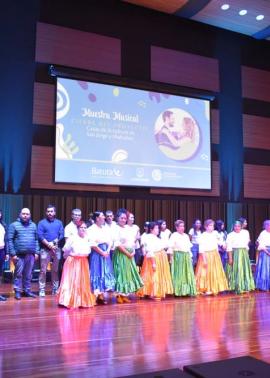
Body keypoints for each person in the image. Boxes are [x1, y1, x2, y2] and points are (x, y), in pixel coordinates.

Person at [58, 221, 96, 309]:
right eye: (81, 227)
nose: (83, 229)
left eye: (85, 227)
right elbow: (65, 249)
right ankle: (68, 300)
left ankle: (82, 300)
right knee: (72, 281)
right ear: (77, 229)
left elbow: (92, 246)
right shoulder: (72, 238)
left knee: (82, 281)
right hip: (73, 261)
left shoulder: (88, 238)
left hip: (83, 261)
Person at [8, 208, 39, 300]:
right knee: (18, 274)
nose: (25, 215)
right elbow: (9, 240)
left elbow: (36, 239)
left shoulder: (33, 225)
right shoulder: (13, 225)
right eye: (23, 214)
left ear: (30, 215)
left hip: (31, 255)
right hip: (19, 255)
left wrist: (37, 252)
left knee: (29, 274)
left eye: (27, 214)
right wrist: (13, 254)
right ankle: (17, 291)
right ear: (20, 214)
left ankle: (27, 290)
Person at [113, 209, 143, 303]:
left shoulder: (127, 228)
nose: (123, 220)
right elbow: (117, 244)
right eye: (121, 218)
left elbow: (132, 241)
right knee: (121, 274)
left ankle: (125, 294)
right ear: (117, 218)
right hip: (121, 254)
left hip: (129, 254)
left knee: (127, 275)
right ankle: (119, 295)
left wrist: (133, 250)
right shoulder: (115, 228)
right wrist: (127, 253)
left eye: (125, 218)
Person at [138, 221, 173, 300]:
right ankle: (152, 293)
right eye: (156, 228)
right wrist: (153, 263)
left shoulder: (156, 238)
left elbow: (164, 245)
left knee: (158, 274)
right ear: (151, 229)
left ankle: (156, 291)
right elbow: (150, 251)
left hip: (160, 258)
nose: (158, 230)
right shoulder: (149, 238)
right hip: (154, 258)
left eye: (158, 228)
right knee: (153, 274)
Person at [88, 211, 115, 304]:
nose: (104, 218)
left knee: (105, 272)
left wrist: (107, 250)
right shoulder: (91, 229)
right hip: (97, 253)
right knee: (97, 272)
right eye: (102, 216)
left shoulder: (105, 228)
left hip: (105, 252)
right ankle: (95, 296)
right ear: (97, 218)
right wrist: (102, 252)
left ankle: (101, 295)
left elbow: (110, 240)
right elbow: (92, 244)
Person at [195, 219, 228, 295]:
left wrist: (223, 244)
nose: (212, 227)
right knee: (206, 271)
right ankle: (207, 288)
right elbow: (201, 248)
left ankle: (215, 286)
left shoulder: (215, 233)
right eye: (210, 225)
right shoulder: (203, 235)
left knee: (215, 271)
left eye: (212, 225)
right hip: (206, 255)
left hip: (214, 254)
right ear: (206, 227)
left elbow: (219, 241)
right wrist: (204, 259)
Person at [38, 205, 64, 297]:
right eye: (48, 211)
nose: (50, 213)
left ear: (55, 212)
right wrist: (48, 244)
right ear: (46, 212)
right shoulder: (41, 223)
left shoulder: (59, 223)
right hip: (45, 249)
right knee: (43, 270)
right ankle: (41, 289)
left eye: (51, 211)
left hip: (56, 249)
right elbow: (40, 236)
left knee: (55, 270)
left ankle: (55, 288)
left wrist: (53, 243)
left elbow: (61, 235)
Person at [168, 220, 196, 297]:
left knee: (187, 274)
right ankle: (178, 291)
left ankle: (186, 291)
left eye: (183, 226)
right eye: (180, 226)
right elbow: (171, 247)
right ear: (176, 227)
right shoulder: (174, 235)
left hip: (186, 256)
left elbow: (188, 248)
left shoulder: (186, 236)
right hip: (178, 256)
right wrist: (171, 258)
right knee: (179, 274)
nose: (182, 228)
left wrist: (190, 257)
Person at [226, 220, 255, 294]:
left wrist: (246, 254)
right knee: (237, 270)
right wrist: (230, 258)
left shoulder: (245, 233)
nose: (237, 228)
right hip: (235, 253)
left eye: (239, 226)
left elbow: (247, 244)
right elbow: (229, 247)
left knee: (245, 270)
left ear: (241, 226)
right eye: (235, 226)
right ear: (233, 226)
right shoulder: (230, 235)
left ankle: (245, 286)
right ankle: (237, 286)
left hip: (244, 253)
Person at [255, 220, 270, 291]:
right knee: (265, 268)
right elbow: (260, 244)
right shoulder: (263, 233)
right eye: (267, 225)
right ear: (265, 226)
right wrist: (267, 252)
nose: (269, 226)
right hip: (265, 251)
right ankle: (264, 286)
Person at [0, 210, 8, 301]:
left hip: (1, 251)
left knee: (0, 274)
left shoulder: (3, 225)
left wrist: (7, 252)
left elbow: (6, 240)